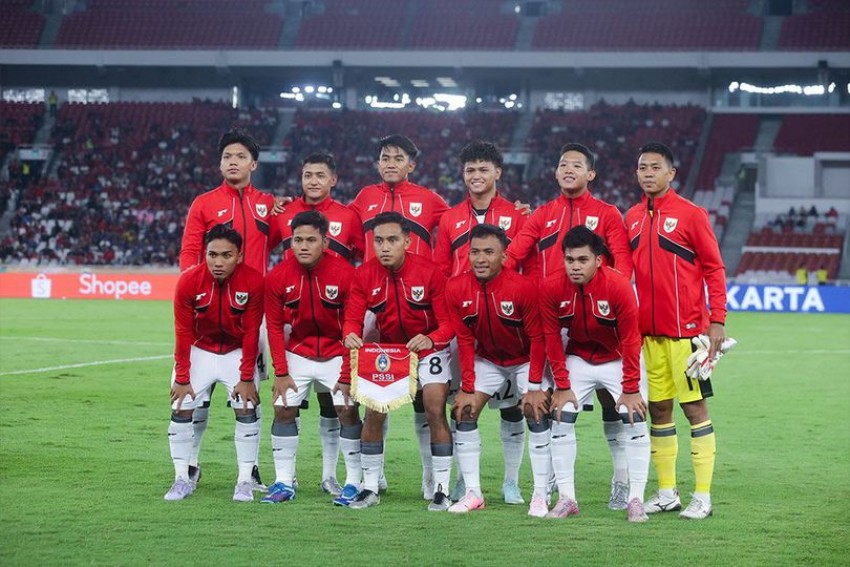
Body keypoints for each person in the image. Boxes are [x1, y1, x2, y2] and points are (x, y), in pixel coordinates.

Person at [504, 142, 636, 510]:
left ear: (590, 174)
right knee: (546, 406)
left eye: (576, 165)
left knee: (615, 406)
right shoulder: (542, 214)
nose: (568, 169)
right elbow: (514, 253)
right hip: (552, 323)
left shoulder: (608, 214)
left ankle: (621, 482)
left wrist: (607, 301)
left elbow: (622, 263)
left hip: (599, 320)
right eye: (562, 164)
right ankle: (545, 491)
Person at [625, 142, 727, 520]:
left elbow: (715, 268)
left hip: (688, 337)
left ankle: (703, 495)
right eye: (642, 167)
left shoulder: (691, 214)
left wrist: (717, 319)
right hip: (648, 336)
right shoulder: (632, 217)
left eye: (655, 167)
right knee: (659, 411)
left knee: (695, 409)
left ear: (671, 173)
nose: (648, 173)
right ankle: (667, 491)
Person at [178, 129, 280, 492]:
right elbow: (190, 253)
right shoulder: (204, 204)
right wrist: (197, 292)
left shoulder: (268, 205)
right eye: (226, 157)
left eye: (240, 156)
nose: (232, 162)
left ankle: (249, 470)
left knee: (249, 390)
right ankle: (190, 463)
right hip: (209, 310)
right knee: (197, 393)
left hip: (256, 311)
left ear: (253, 163)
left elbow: (293, 238)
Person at [434, 140, 534, 504]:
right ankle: (464, 480)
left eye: (483, 169)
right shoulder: (449, 218)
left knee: (512, 407)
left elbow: (530, 267)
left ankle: (511, 481)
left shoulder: (518, 215)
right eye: (470, 170)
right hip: (465, 324)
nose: (476, 176)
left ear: (498, 173)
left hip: (507, 324)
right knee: (462, 403)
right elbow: (442, 271)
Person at [535, 226, 650, 522]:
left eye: (582, 260)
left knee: (635, 419)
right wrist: (561, 385)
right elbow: (551, 338)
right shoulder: (551, 287)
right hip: (579, 358)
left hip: (618, 358)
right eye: (570, 259)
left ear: (599, 260)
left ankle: (635, 499)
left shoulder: (619, 286)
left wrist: (631, 387)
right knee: (560, 418)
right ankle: (567, 498)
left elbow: (631, 340)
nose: (575, 266)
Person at [343, 212, 455, 510]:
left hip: (428, 350)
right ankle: (369, 488)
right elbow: (351, 320)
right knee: (374, 410)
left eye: (392, 240)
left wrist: (431, 339)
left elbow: (448, 324)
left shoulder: (430, 273)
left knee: (434, 408)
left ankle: (441, 488)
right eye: (378, 240)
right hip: (388, 351)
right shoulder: (364, 275)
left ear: (407, 241)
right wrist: (351, 336)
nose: (384, 247)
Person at [274, 152, 365, 496]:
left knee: (339, 406)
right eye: (307, 174)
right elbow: (252, 244)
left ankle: (338, 477)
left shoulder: (348, 216)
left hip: (338, 326)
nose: (312, 180)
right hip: (293, 327)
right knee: (284, 406)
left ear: (333, 179)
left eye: (319, 175)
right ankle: (284, 479)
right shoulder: (283, 214)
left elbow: (364, 255)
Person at [445, 224, 550, 516]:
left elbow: (538, 339)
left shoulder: (523, 287)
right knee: (463, 410)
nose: (480, 258)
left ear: (504, 256)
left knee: (536, 409)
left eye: (488, 252)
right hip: (488, 360)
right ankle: (473, 493)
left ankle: (540, 495)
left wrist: (532, 386)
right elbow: (464, 341)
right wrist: (466, 387)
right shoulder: (455, 287)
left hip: (525, 359)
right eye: (475, 252)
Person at [165, 224, 264, 502]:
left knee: (246, 406)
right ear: (204, 254)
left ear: (239, 256)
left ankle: (245, 480)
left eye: (226, 255)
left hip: (235, 352)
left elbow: (251, 332)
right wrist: (182, 377)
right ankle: (182, 478)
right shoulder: (188, 281)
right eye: (212, 255)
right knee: (180, 404)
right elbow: (183, 331)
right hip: (200, 350)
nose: (218, 262)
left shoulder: (254, 281)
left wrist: (246, 377)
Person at [349, 135, 449, 263]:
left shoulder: (429, 199)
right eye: (385, 159)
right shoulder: (365, 196)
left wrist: (437, 263)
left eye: (398, 159)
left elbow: (456, 227)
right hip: (373, 281)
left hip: (417, 281)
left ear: (411, 166)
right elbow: (343, 223)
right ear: (379, 165)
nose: (391, 165)